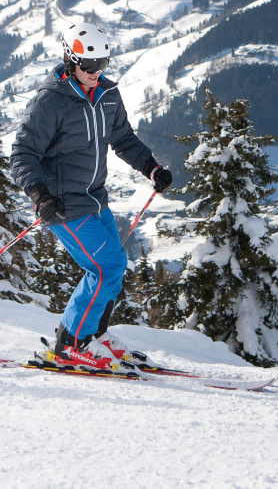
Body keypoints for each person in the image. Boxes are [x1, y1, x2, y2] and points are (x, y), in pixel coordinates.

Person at [10, 21, 174, 370]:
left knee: (113, 268)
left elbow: (125, 140)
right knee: (105, 267)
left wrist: (151, 168)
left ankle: (94, 337)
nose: (96, 72)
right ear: (70, 60)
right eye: (89, 65)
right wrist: (40, 196)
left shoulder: (108, 95)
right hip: (63, 205)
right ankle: (70, 344)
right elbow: (22, 153)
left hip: (96, 199)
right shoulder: (51, 101)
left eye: (102, 65)